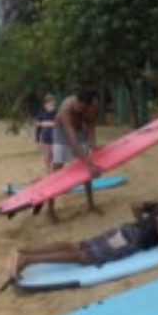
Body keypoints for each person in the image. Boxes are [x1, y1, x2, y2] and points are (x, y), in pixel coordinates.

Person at [7, 188, 158, 278]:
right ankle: (28, 260)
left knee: (78, 245)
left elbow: (136, 205)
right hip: (132, 240)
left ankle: (26, 252)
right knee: (84, 257)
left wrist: (140, 224)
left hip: (125, 229)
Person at [49, 89, 102, 221]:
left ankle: (91, 204)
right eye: (78, 106)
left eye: (83, 108)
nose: (80, 109)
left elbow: (91, 125)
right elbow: (73, 142)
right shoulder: (65, 110)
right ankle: (50, 210)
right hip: (62, 133)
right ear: (75, 101)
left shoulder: (93, 106)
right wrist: (90, 165)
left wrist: (93, 145)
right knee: (56, 171)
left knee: (87, 172)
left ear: (89, 105)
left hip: (80, 131)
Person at [34, 94, 57, 174]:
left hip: (55, 140)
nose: (51, 106)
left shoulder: (57, 114)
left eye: (53, 104)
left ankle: (56, 174)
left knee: (55, 158)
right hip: (45, 139)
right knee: (47, 158)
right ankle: (49, 174)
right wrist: (37, 138)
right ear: (45, 105)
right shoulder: (41, 114)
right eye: (49, 104)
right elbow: (38, 127)